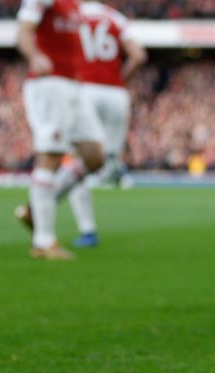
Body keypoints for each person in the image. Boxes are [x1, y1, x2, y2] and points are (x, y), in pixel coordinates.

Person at [15, 0, 108, 260]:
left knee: (95, 156)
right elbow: (23, 30)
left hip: (73, 86)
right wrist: (34, 55)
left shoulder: (74, 5)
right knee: (50, 156)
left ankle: (37, 209)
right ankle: (43, 242)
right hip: (49, 84)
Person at [66, 0, 148, 249]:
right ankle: (114, 169)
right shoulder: (115, 18)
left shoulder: (73, 14)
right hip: (116, 95)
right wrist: (119, 80)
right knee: (109, 159)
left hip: (85, 90)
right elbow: (139, 56)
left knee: (77, 160)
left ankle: (87, 229)